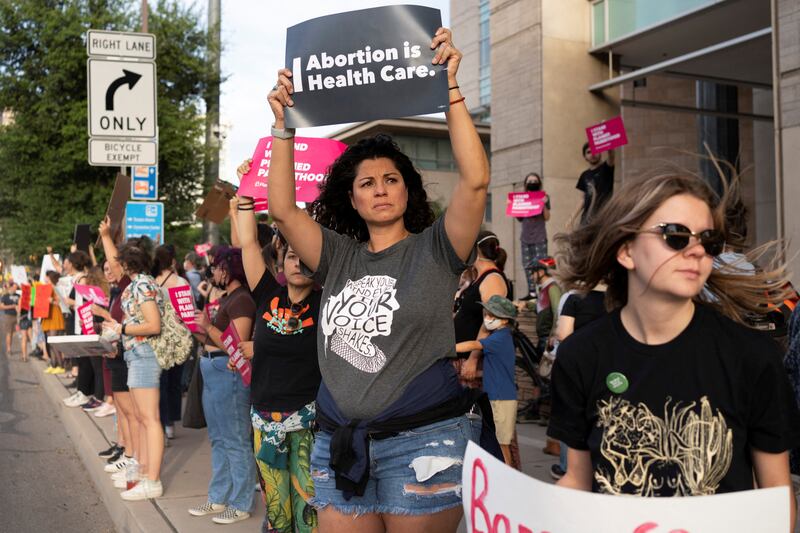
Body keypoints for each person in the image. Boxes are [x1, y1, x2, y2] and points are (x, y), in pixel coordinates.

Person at [263, 26, 489, 532]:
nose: (381, 189)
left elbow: (475, 180)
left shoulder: (437, 247)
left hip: (424, 443)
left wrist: (450, 88)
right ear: (354, 198)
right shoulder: (338, 256)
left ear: (408, 191)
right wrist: (283, 126)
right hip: (338, 442)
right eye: (367, 183)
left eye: (392, 180)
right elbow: (281, 210)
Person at [548, 173, 800, 527]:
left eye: (709, 241)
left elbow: (774, 490)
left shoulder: (752, 357)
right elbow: (578, 478)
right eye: (675, 235)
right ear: (626, 250)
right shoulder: (581, 357)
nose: (696, 250)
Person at [234, 184, 323, 533]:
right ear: (282, 263)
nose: (298, 262)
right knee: (277, 513)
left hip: (309, 426)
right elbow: (248, 244)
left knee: (308, 513)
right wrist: (244, 198)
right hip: (264, 423)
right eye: (291, 256)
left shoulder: (326, 301)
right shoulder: (266, 293)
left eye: (305, 256)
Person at [189, 246, 256, 525]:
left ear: (230, 269)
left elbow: (237, 345)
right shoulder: (230, 298)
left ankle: (240, 503)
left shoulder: (241, 300)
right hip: (213, 369)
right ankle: (219, 497)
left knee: (236, 439)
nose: (213, 271)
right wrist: (199, 327)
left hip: (227, 372)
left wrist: (207, 325)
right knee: (218, 439)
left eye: (217, 266)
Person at [102, 241, 165, 501]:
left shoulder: (141, 286)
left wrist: (122, 329)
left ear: (126, 263)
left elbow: (153, 325)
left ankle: (152, 479)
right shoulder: (142, 284)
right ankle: (143, 472)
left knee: (149, 419)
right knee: (142, 418)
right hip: (137, 354)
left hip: (144, 354)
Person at [548, 284, 607, 480]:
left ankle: (567, 467)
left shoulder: (574, 299)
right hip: (609, 370)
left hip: (578, 368)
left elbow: (564, 333)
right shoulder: (621, 299)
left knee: (573, 422)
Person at [96, 217, 139, 473]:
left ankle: (131, 454)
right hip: (116, 353)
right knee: (123, 411)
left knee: (132, 413)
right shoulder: (121, 289)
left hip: (126, 353)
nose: (112, 269)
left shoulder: (132, 284)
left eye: (117, 265)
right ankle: (126, 450)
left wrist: (105, 236)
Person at [456, 295, 519, 466]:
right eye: (486, 314)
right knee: (499, 444)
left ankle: (507, 483)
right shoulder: (502, 337)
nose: (487, 318)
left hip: (501, 399)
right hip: (499, 396)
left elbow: (472, 345)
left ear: (505, 320)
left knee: (502, 446)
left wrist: (445, 348)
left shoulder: (499, 337)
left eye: (492, 315)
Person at [153, 244, 189, 441]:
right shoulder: (180, 282)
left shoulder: (152, 282)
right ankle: (171, 423)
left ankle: (162, 422)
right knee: (175, 382)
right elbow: (187, 312)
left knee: (162, 383)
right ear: (173, 260)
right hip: (178, 338)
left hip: (158, 338)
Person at [516, 173, 550, 299]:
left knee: (541, 265)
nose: (532, 182)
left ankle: (543, 291)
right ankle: (532, 293)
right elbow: (519, 218)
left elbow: (547, 217)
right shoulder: (522, 198)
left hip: (540, 237)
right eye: (529, 180)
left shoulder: (544, 197)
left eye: (534, 180)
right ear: (525, 184)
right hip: (525, 238)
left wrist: (544, 204)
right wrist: (512, 205)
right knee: (527, 265)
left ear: (539, 182)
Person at [576, 143, 614, 225]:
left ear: (600, 152)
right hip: (586, 218)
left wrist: (609, 145)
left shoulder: (606, 168)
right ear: (585, 157)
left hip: (603, 216)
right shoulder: (584, 175)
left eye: (595, 150)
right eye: (588, 152)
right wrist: (572, 216)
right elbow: (582, 199)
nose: (592, 154)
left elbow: (611, 155)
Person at [41, 271, 66, 374]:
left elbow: (62, 303)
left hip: (55, 316)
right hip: (47, 316)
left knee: (54, 342)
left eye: (47, 277)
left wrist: (52, 301)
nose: (45, 279)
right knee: (50, 343)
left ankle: (60, 365)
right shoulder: (45, 288)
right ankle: (53, 364)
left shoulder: (56, 288)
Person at [0, 281, 19, 355]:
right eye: (14, 287)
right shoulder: (5, 296)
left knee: (15, 333)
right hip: (9, 316)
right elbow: (1, 307)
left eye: (16, 288)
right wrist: (12, 306)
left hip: (17, 316)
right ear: (10, 287)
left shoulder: (18, 295)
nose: (15, 289)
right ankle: (9, 349)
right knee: (9, 333)